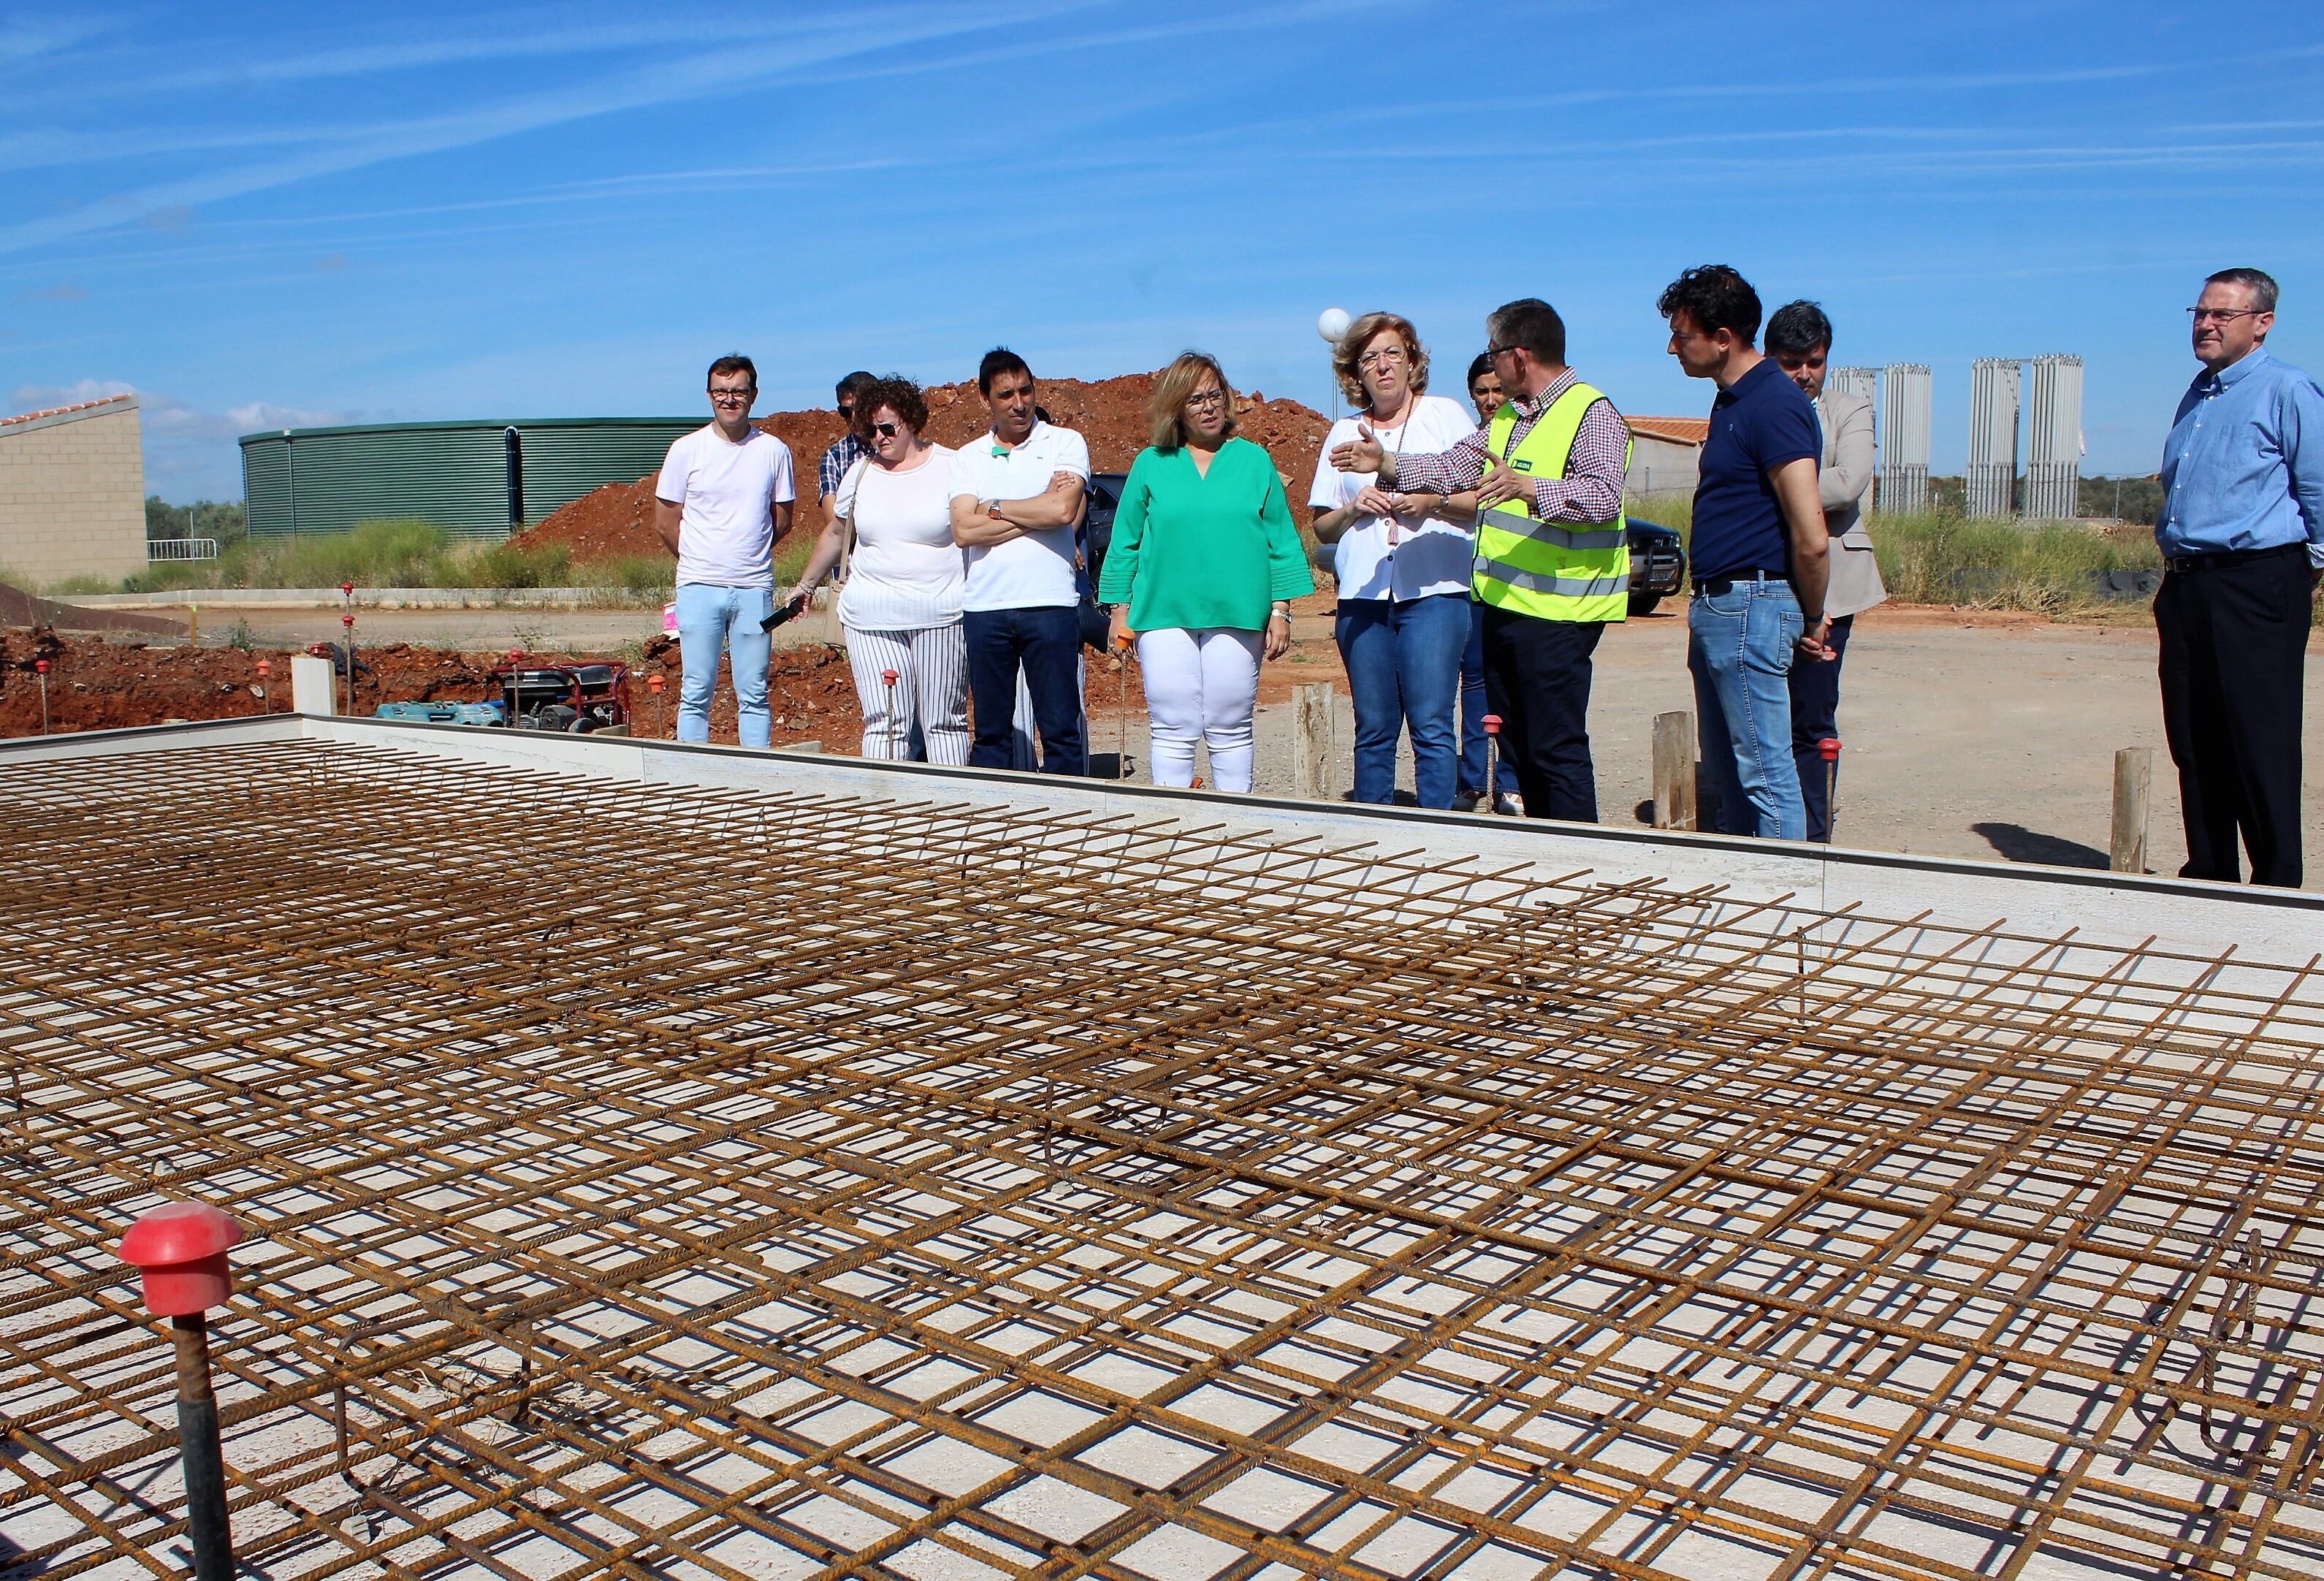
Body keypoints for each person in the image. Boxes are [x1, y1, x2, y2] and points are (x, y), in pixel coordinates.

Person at [1334, 298, 1631, 823]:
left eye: (1492, 353)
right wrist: (1387, 463)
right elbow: (1454, 465)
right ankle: (1545, 859)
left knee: (1555, 749)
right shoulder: (1513, 417)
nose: (1489, 365)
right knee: (1520, 748)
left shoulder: (1591, 413)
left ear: (1519, 355)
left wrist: (1530, 487)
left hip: (1561, 614)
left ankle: (1580, 868)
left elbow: (1603, 496)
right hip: (1506, 606)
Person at [2154, 267, 2323, 887]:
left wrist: (2309, 566)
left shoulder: (2288, 390)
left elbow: (2319, 488)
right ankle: (2210, 869)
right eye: (2199, 313)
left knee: (2259, 736)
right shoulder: (2197, 395)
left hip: (2257, 581)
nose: (2205, 324)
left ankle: (2276, 882)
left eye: (2222, 315)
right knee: (2195, 737)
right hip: (2187, 585)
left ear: (2261, 325)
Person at [1658, 265, 1832, 840]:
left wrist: (1811, 615)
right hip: (1722, 606)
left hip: (1750, 605)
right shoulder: (1733, 400)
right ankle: (1744, 902)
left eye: (1682, 335)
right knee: (1732, 774)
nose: (1672, 347)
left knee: (1764, 772)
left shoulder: (1774, 404)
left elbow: (1810, 535)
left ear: (1723, 337)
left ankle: (1787, 910)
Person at [1098, 352, 1314, 793]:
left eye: (1216, 395)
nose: (1209, 407)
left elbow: (1282, 540)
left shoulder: (1254, 462)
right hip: (1162, 612)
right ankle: (1173, 833)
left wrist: (1281, 609)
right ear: (1177, 408)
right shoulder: (1151, 463)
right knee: (1173, 723)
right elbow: (1125, 543)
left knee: (1229, 721)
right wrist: (1119, 610)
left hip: (1238, 610)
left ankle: (1236, 832)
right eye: (1195, 399)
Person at [1309, 313, 1479, 807]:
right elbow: (1321, 526)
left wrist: (1432, 502)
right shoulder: (1342, 431)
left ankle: (1441, 838)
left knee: (1430, 723)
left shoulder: (1445, 415)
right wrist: (1352, 508)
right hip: (1362, 596)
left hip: (1434, 593)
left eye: (1392, 354)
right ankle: (1373, 841)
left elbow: (1478, 501)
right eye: (1369, 359)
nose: (1382, 366)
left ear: (1411, 361)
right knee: (1374, 726)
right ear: (1354, 372)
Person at [783, 376, 968, 765]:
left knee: (943, 723)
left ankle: (950, 815)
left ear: (912, 421)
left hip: (941, 615)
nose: (879, 438)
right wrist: (805, 586)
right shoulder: (860, 473)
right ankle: (887, 814)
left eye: (888, 428)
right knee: (885, 722)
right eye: (870, 430)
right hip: (871, 618)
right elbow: (836, 532)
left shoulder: (954, 467)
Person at [1766, 300, 1885, 842]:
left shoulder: (1849, 408)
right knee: (1761, 711)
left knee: (1813, 711)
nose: (1804, 374)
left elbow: (1849, 482)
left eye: (1814, 361)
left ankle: (1813, 832)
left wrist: (1772, 488)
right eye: (1792, 362)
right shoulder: (1749, 405)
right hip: (1764, 581)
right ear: (1769, 356)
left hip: (1833, 584)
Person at [948, 348, 1091, 775]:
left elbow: (1064, 512)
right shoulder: (968, 457)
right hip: (986, 610)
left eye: (1026, 390)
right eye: (1006, 394)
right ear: (986, 399)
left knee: (1061, 728)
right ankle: (995, 826)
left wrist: (992, 506)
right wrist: (1035, 510)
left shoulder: (1065, 442)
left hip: (1050, 605)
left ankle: (1068, 825)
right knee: (991, 733)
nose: (1019, 402)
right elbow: (963, 531)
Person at [653, 354, 796, 748]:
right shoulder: (686, 450)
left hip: (754, 590)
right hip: (699, 588)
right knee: (696, 691)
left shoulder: (773, 451)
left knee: (754, 692)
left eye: (738, 391)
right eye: (721, 391)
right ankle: (693, 780)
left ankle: (755, 780)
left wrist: (747, 553)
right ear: (709, 395)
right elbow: (666, 521)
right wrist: (701, 559)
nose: (729, 399)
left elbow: (782, 520)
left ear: (753, 394)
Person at [1453, 350, 1520, 814]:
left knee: (1513, 682)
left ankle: (1512, 783)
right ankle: (1474, 780)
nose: (1492, 398)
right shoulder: (1466, 446)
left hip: (1517, 579)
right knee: (1473, 681)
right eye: (1483, 391)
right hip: (1471, 582)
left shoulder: (1524, 439)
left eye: (1498, 389)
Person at [817, 371, 877, 530]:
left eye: (860, 409)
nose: (854, 417)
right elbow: (834, 524)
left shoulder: (896, 447)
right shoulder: (833, 458)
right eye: (846, 412)